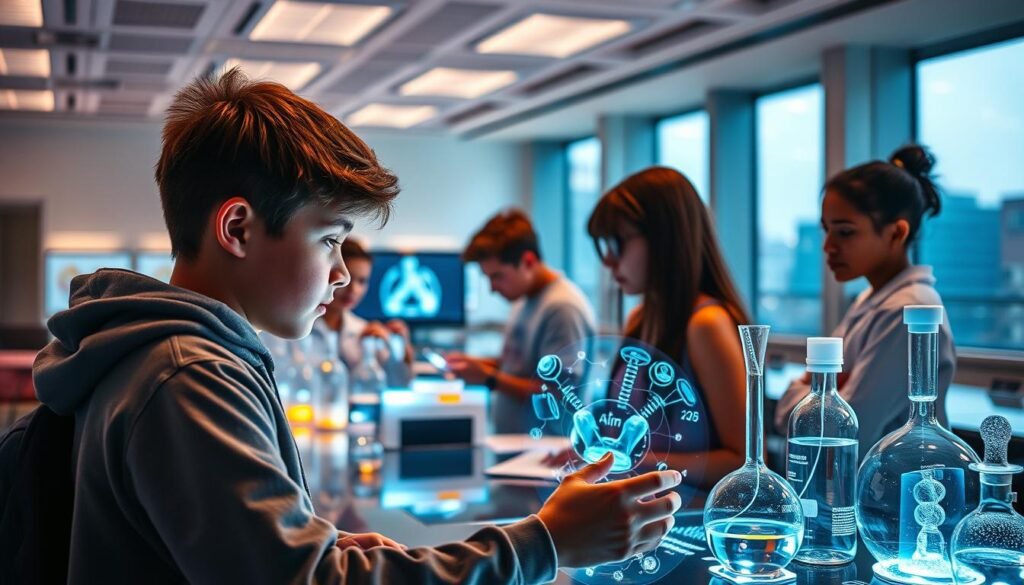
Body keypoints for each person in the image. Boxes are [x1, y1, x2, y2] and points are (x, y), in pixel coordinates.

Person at [27, 70, 682, 584]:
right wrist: (544, 541)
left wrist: (328, 545)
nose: (341, 275)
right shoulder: (189, 374)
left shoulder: (174, 356)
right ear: (237, 229)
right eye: (330, 240)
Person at [773, 145, 955, 457]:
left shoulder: (908, 309)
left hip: (897, 495)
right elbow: (817, 412)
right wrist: (820, 392)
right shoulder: (872, 300)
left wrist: (806, 388)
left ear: (896, 233)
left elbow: (842, 429)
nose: (828, 245)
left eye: (845, 232)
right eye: (826, 230)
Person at [585, 166, 748, 489]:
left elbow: (743, 463)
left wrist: (626, 459)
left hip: (691, 520)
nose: (608, 261)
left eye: (617, 242)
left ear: (663, 239)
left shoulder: (706, 324)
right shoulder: (641, 317)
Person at [448, 209, 596, 434]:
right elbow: (519, 365)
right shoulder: (524, 300)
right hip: (522, 453)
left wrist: (489, 378)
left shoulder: (563, 308)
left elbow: (557, 393)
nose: (492, 288)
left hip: (546, 456)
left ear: (528, 261)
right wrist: (476, 365)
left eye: (497, 276)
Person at [315, 238, 412, 374]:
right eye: (346, 278)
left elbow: (398, 383)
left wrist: (400, 348)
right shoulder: (295, 328)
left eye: (362, 281)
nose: (353, 290)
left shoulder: (366, 332)